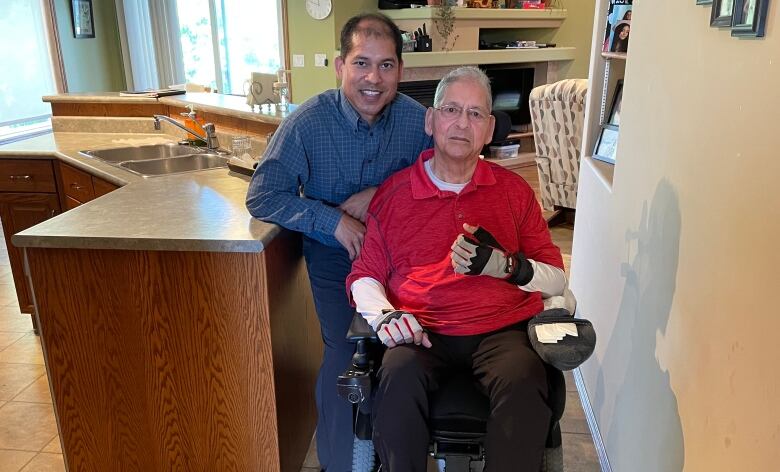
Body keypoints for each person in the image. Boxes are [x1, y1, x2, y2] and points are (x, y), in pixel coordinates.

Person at [347, 66, 568, 472]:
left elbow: (556, 275)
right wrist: (385, 316)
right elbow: (365, 273)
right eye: (451, 109)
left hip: (501, 330)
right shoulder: (395, 194)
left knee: (525, 380)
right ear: (431, 121)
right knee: (395, 379)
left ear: (489, 130)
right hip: (421, 330)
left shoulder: (514, 192)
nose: (462, 123)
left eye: (475, 113)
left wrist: (508, 267)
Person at [245, 12, 433, 472]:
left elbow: (438, 181)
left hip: (401, 258)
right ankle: (340, 463)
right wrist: (332, 221)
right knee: (346, 351)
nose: (373, 78)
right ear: (339, 65)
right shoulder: (306, 123)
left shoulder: (417, 122)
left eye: (386, 65)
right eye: (361, 63)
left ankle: (396, 456)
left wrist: (382, 195)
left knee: (403, 350)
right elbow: (263, 194)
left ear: (401, 72)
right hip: (335, 257)